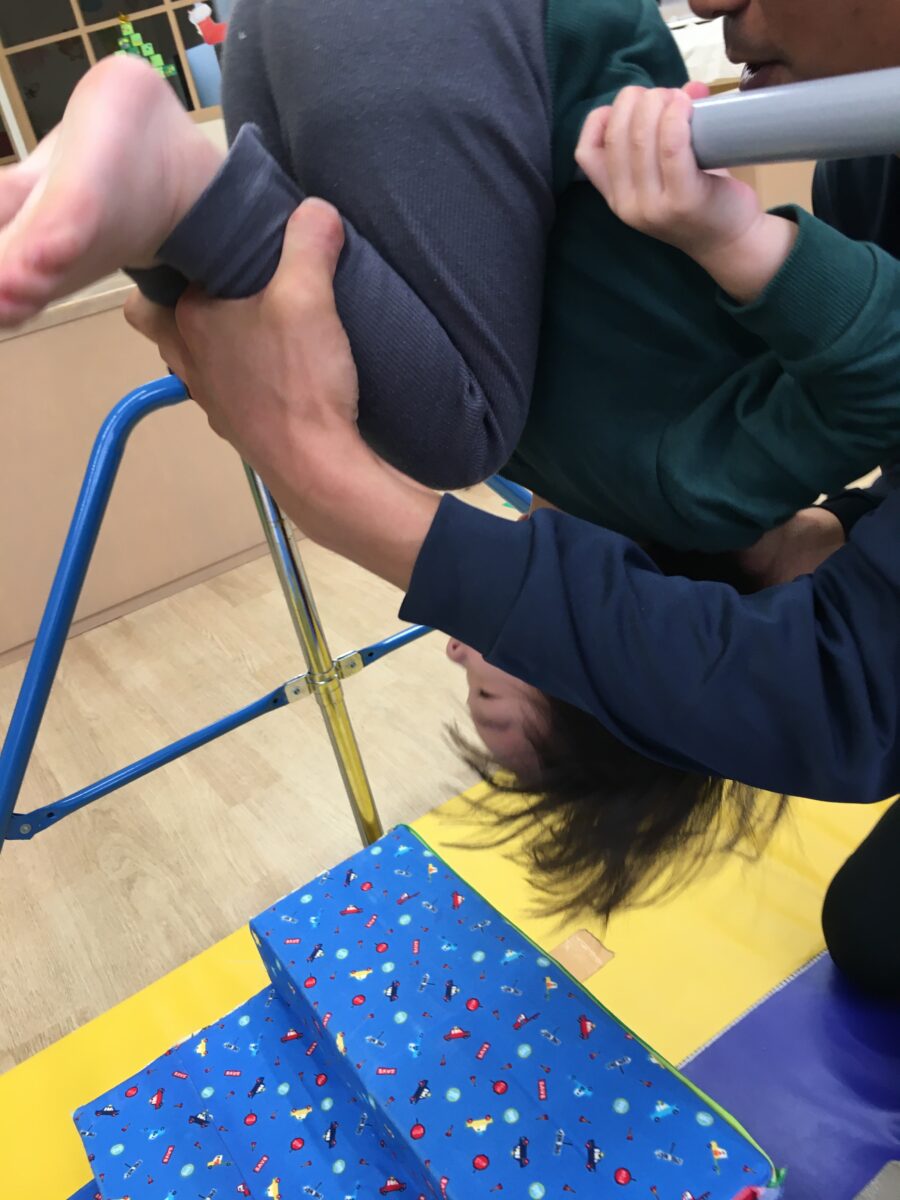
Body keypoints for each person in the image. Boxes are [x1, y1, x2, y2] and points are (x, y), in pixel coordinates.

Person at [2, 0, 900, 548]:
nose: (463, 645)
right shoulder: (709, 502)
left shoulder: (567, 457)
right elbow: (885, 383)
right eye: (504, 676)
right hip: (452, 38)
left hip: (323, 51)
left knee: (289, 332)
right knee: (447, 447)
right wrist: (727, 232)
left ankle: (139, 193)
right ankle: (165, 188)